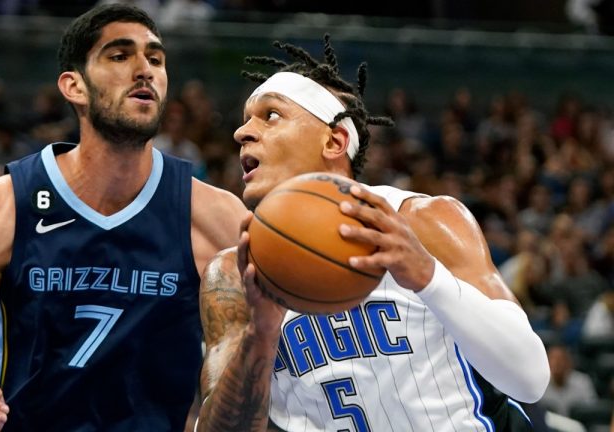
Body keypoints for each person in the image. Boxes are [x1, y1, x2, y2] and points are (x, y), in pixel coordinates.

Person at [0, 4, 246, 431]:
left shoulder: (215, 216)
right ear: (74, 86)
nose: (145, 70)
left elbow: (254, 368)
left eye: (155, 59)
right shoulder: (4, 205)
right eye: (120, 56)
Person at [196, 36, 550, 431]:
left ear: (335, 140)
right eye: (245, 118)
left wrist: (428, 277)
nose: (242, 132)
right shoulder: (232, 273)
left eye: (270, 115)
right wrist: (259, 334)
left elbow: (530, 378)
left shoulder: (423, 220)